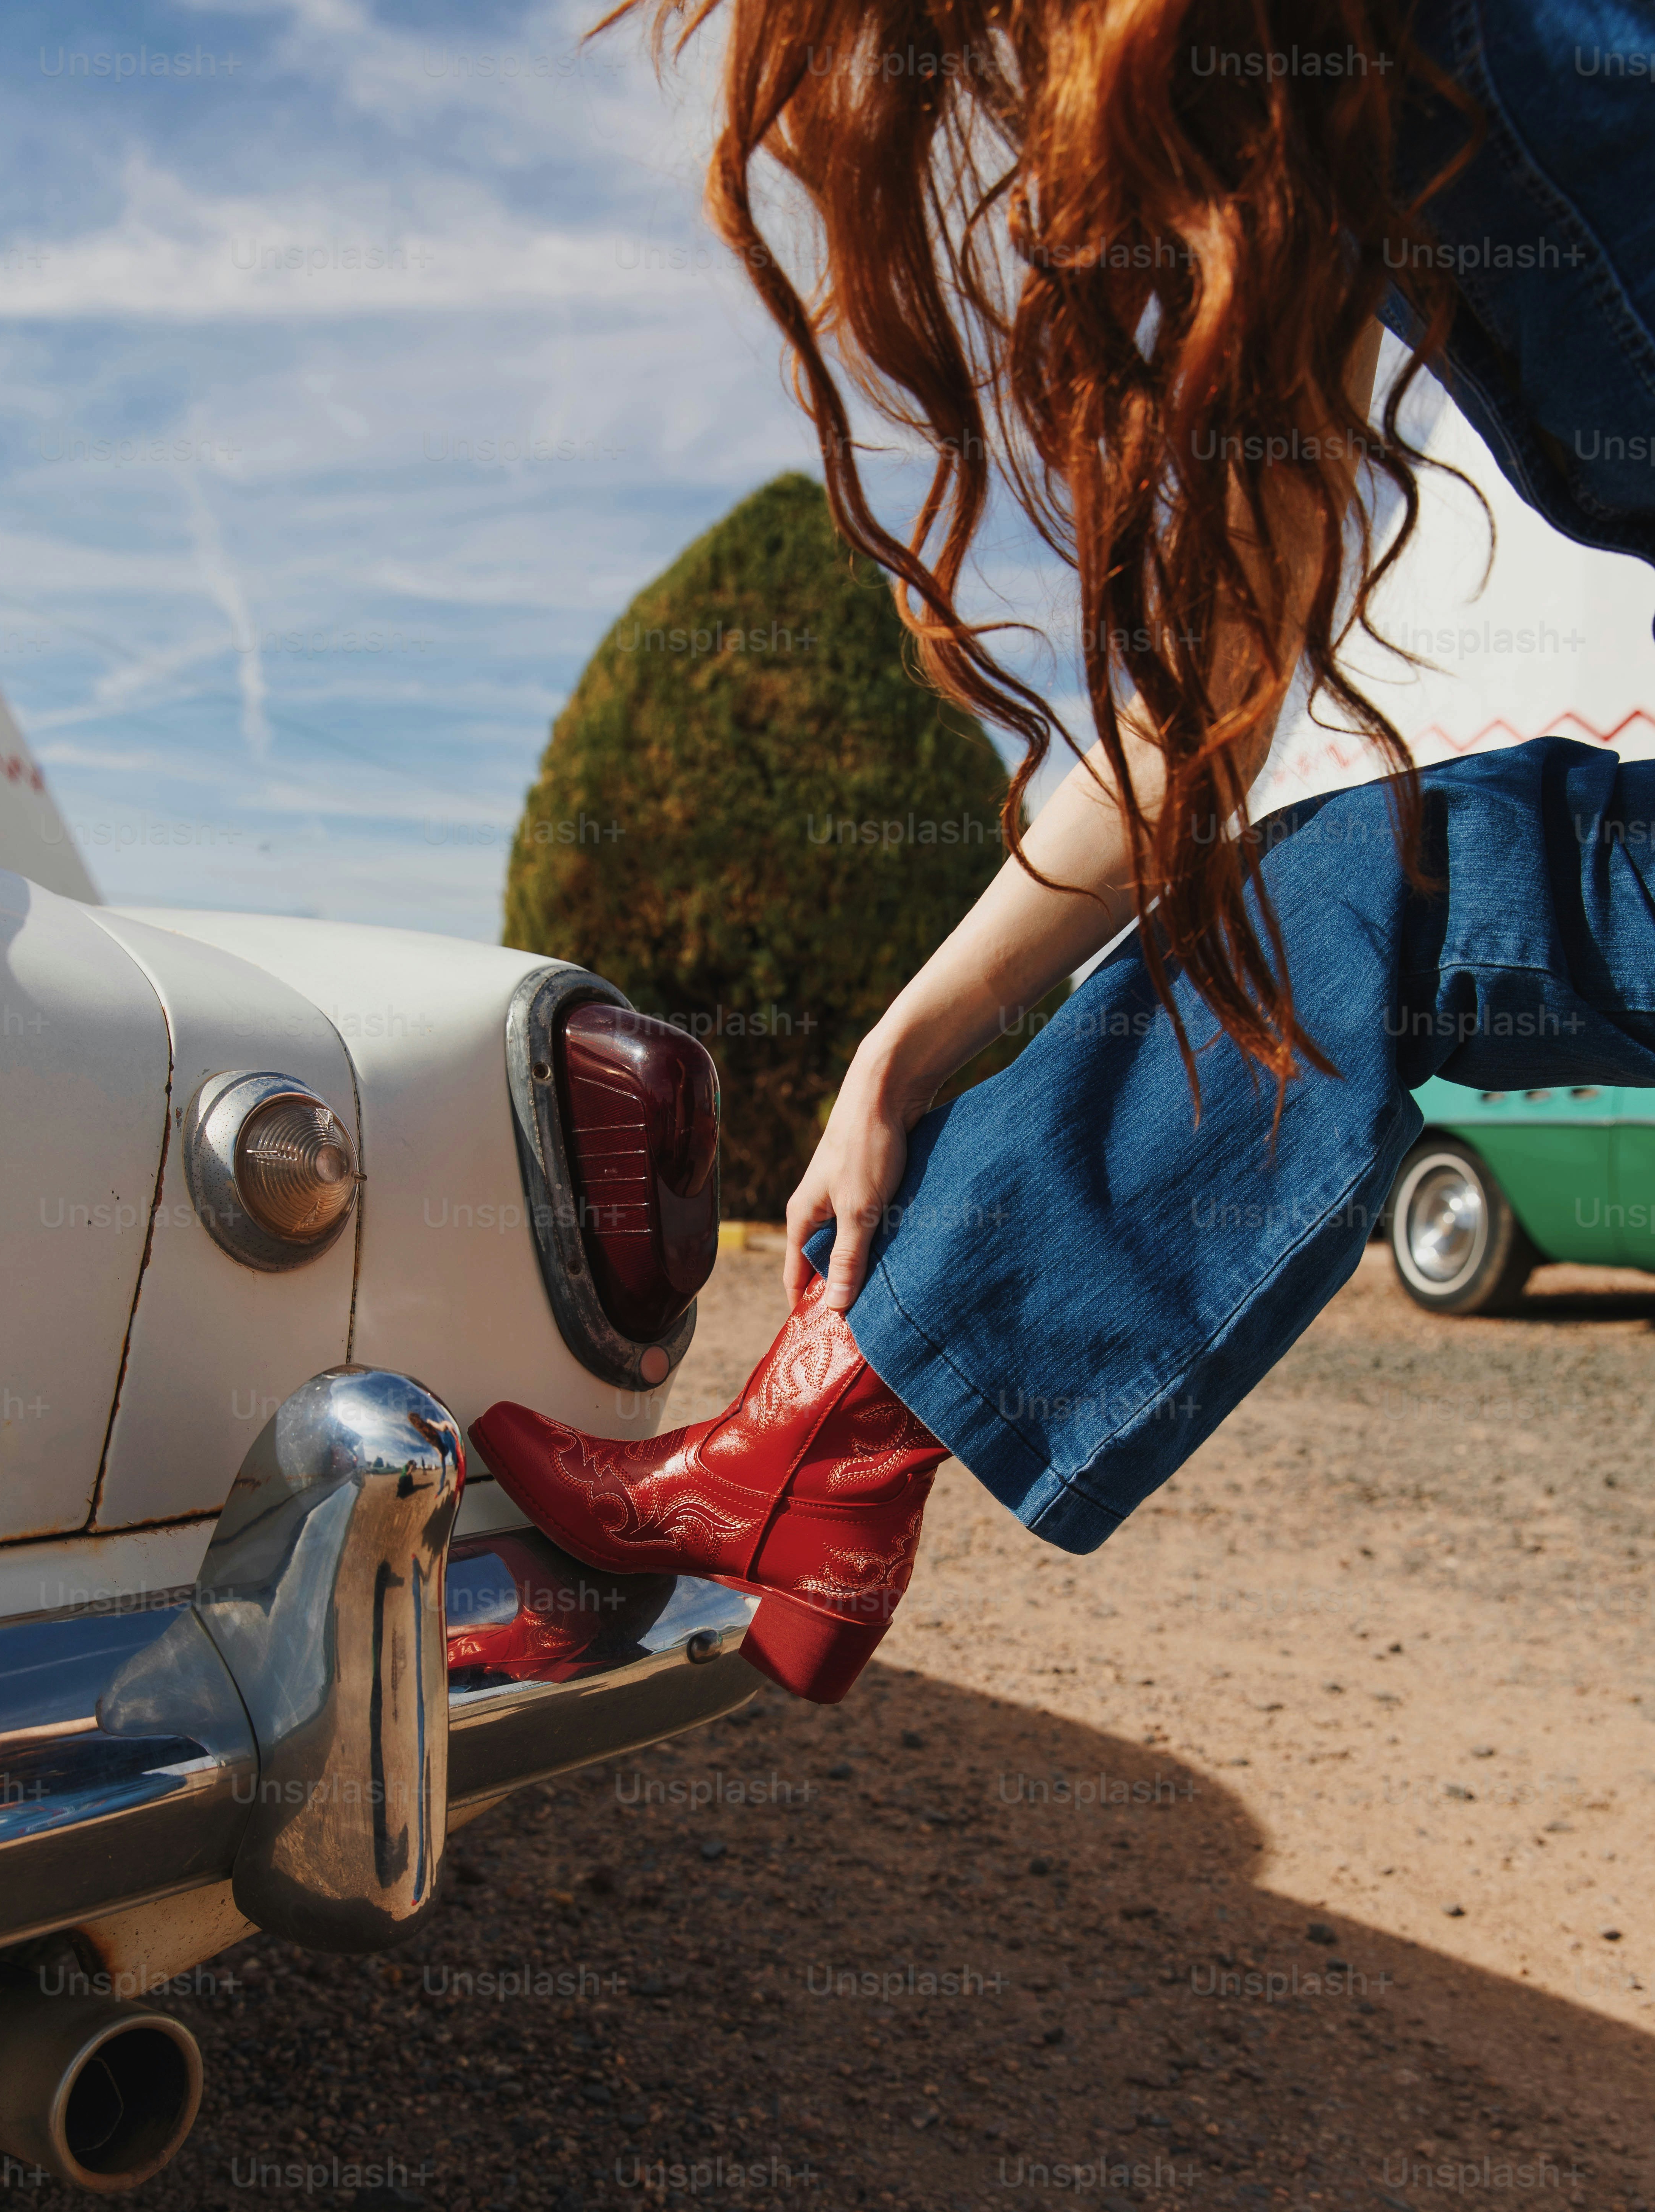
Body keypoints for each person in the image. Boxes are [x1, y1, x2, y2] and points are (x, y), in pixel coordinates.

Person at [474, 0, 1655, 1702]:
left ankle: (815, 1470)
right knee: (1397, 878)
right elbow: (1211, 697)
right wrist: (903, 1046)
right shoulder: (1300, 157)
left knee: (1420, 880)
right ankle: (821, 1464)